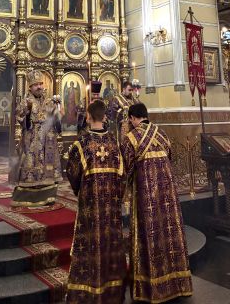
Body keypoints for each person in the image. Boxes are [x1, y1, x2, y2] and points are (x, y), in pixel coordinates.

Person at [121, 103, 193, 303]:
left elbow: (125, 170)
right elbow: (170, 157)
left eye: (130, 120)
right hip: (167, 196)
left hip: (146, 197)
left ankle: (151, 288)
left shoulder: (131, 138)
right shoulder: (162, 134)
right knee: (169, 234)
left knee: (150, 235)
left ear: (133, 118)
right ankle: (178, 283)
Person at [66, 99, 126, 303]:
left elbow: (72, 173)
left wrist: (80, 191)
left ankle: (88, 290)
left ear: (88, 117)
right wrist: (117, 197)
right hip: (112, 205)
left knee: (90, 242)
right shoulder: (114, 142)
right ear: (105, 117)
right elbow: (122, 174)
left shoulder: (81, 143)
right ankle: (113, 291)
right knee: (111, 241)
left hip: (90, 204)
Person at [13, 69, 63, 206]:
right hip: (32, 139)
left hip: (48, 140)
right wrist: (28, 113)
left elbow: (56, 119)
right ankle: (28, 197)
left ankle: (48, 196)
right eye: (36, 85)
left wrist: (58, 112)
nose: (39, 87)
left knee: (48, 168)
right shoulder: (25, 102)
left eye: (40, 84)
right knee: (30, 166)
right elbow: (20, 119)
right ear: (30, 87)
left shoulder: (49, 101)